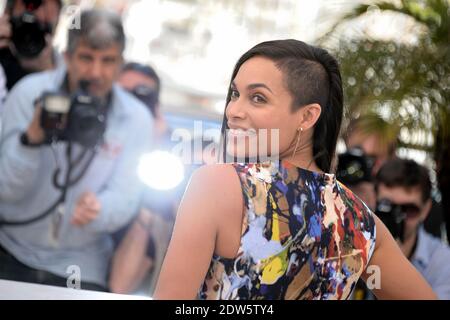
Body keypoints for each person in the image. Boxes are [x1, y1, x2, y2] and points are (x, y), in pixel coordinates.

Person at [154, 39, 436, 300]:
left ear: (307, 116)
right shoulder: (358, 219)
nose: (233, 111)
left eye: (258, 98)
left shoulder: (215, 184)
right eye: (235, 94)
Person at [0, 9, 153, 291]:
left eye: (108, 61)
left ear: (121, 63)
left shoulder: (136, 119)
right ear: (67, 57)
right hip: (12, 251)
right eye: (86, 58)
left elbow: (126, 197)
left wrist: (100, 209)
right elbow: (4, 190)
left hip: (82, 264)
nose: (96, 72)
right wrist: (30, 141)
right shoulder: (28, 94)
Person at [108, 62, 173, 295]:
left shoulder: (165, 164)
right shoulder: (86, 139)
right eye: (122, 96)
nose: (131, 107)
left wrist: (151, 142)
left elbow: (120, 286)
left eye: (141, 97)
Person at [375, 159, 450, 299]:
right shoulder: (354, 249)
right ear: (374, 202)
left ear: (426, 209)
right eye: (387, 206)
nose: (398, 217)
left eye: (409, 209)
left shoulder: (443, 262)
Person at [0, 0, 63, 91]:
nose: (37, 14)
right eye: (27, 3)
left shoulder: (64, 69)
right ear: (8, 13)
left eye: (44, 5)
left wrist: (48, 74)